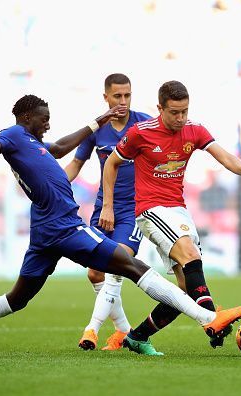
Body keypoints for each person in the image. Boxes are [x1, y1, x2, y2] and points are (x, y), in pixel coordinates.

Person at [0, 94, 241, 358]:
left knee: (16, 299)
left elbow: (62, 147)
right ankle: (209, 318)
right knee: (132, 265)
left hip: (44, 232)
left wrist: (96, 122)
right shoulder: (13, 135)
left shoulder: (32, 142)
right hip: (64, 226)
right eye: (43, 118)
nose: (48, 124)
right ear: (26, 117)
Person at [100, 81, 241, 355]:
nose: (180, 118)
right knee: (190, 254)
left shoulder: (194, 130)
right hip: (151, 210)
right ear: (160, 108)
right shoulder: (140, 133)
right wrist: (108, 206)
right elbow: (111, 163)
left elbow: (223, 156)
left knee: (187, 290)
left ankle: (137, 337)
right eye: (174, 112)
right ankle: (212, 318)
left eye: (184, 111)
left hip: (178, 210)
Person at [64, 73, 151, 351]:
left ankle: (91, 330)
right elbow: (76, 164)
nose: (123, 101)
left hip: (133, 210)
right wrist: (50, 185)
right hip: (104, 208)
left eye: (127, 95)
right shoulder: (97, 130)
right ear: (106, 97)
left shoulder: (144, 123)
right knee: (95, 274)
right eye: (117, 96)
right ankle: (124, 332)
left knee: (119, 265)